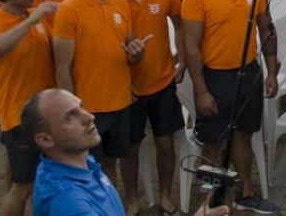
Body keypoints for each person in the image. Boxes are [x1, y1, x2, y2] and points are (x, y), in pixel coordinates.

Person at [181, 0, 278, 213]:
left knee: (244, 135)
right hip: (215, 77)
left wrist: (271, 71)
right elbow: (192, 48)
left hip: (249, 72)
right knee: (214, 144)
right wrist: (201, 91)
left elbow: (267, 29)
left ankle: (245, 192)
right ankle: (209, 203)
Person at [22, 89, 230, 216]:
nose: (89, 117)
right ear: (45, 139)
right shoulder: (68, 201)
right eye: (70, 117)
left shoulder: (81, 166)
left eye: (82, 107)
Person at [52, 0, 152, 187]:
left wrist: (137, 53)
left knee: (112, 165)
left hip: (120, 103)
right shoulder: (69, 9)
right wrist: (73, 111)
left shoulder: (120, 2)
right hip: (89, 108)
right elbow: (62, 67)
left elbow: (128, 51)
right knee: (90, 171)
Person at [0, 0, 58, 216]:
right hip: (19, 119)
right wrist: (32, 20)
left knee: (41, 184)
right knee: (21, 187)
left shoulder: (32, 14)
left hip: (44, 114)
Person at [113, 0, 184, 216]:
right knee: (130, 149)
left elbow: (179, 26)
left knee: (165, 144)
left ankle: (166, 196)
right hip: (127, 87)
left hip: (162, 82)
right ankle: (132, 200)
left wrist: (183, 62)